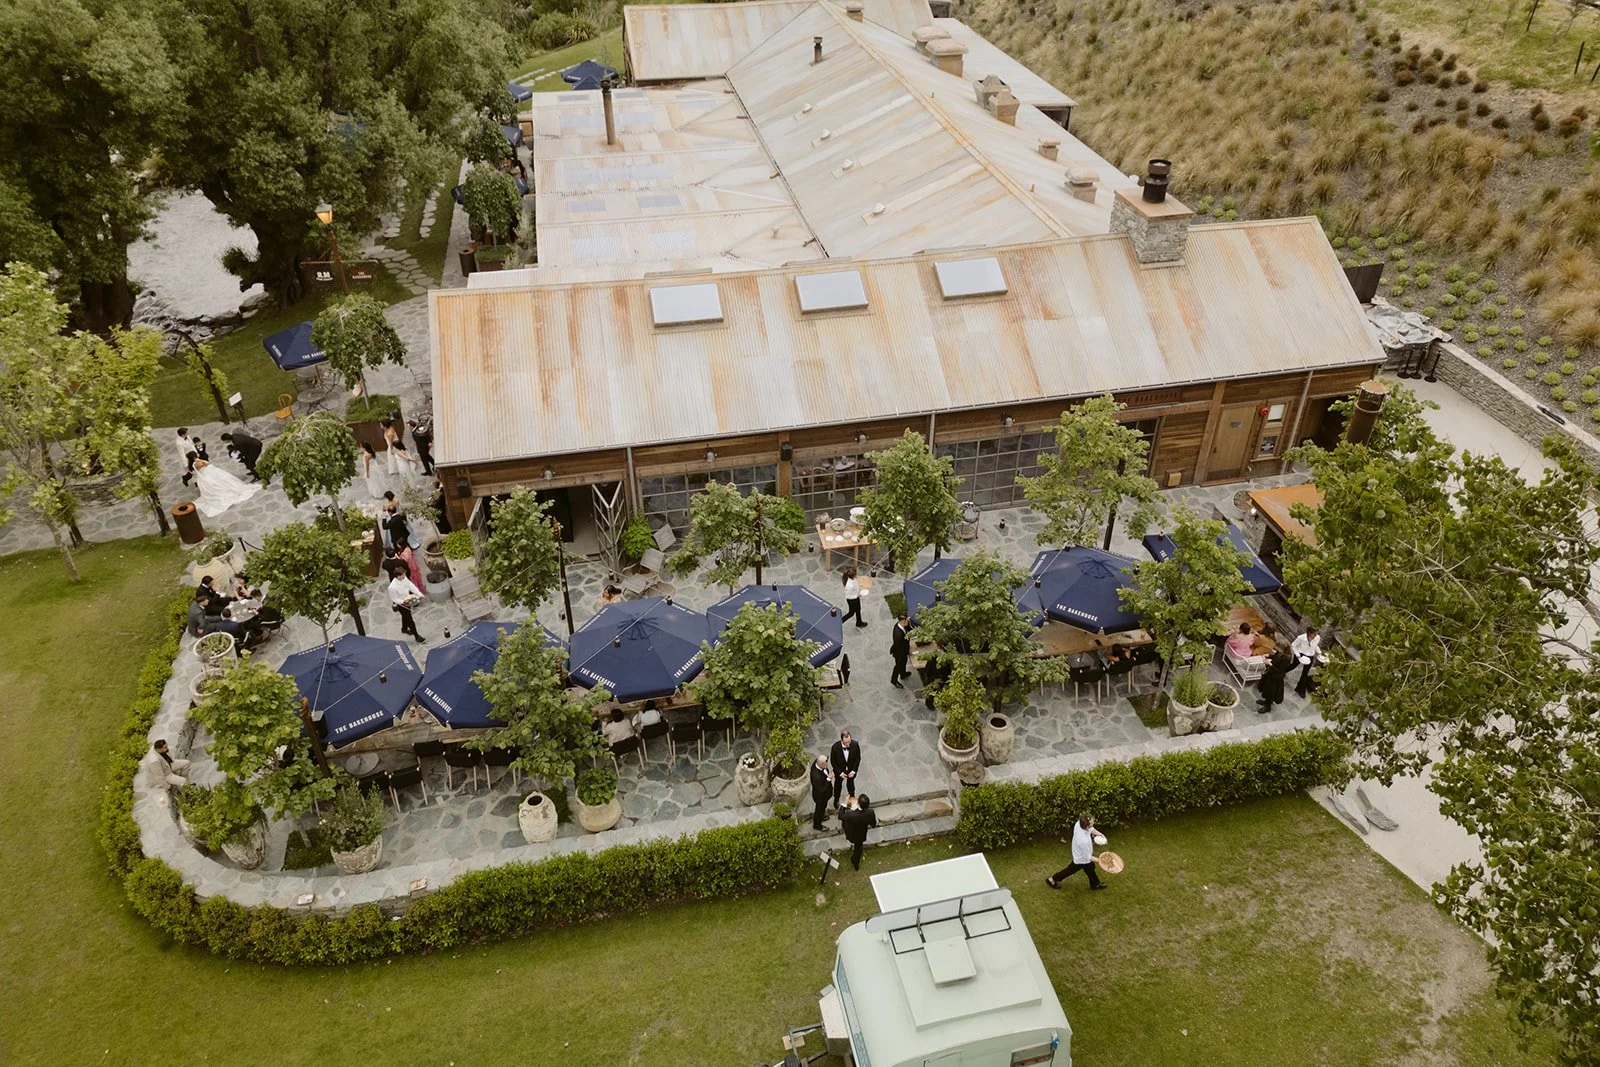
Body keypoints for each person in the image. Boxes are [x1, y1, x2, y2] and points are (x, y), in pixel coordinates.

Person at [1045, 813, 1107, 891]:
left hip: (1080, 852)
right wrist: (1101, 861)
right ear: (1087, 826)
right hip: (1081, 858)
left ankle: (1095, 884)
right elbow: (1088, 857)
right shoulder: (1083, 841)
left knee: (1090, 868)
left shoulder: (1079, 823)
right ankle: (1052, 879)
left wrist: (1100, 835)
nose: (1093, 822)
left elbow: (1091, 829)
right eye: (1092, 822)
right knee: (1070, 870)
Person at [190, 457, 259, 517]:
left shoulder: (194, 464)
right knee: (221, 483)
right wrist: (200, 460)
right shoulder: (197, 463)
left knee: (221, 482)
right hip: (208, 472)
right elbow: (207, 463)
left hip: (206, 473)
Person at [387, 562, 426, 642]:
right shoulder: (392, 587)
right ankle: (417, 636)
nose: (405, 576)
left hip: (408, 600)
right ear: (398, 576)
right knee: (409, 619)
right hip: (402, 604)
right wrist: (404, 601)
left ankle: (404, 628)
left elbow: (411, 586)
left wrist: (419, 594)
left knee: (405, 616)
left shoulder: (404, 579)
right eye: (403, 575)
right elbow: (394, 599)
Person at [840, 794, 878, 871]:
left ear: (858, 803)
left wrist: (844, 803)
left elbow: (840, 816)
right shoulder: (870, 812)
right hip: (861, 834)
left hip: (851, 833)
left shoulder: (851, 814)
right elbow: (873, 824)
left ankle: (855, 860)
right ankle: (855, 862)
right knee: (858, 849)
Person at [1257, 640, 1296, 713]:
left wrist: (1270, 664)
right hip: (1271, 674)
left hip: (1276, 677)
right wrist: (1268, 656)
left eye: (1278, 648)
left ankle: (1268, 707)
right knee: (1267, 689)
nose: (1276, 649)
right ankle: (1266, 701)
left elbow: (1280, 671)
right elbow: (1275, 656)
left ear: (1283, 649)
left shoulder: (1286, 659)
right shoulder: (1280, 653)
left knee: (1271, 692)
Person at [830, 730, 861, 809]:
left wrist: (854, 771)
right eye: (846, 742)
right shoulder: (835, 747)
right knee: (838, 786)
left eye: (849, 742)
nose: (848, 744)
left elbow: (858, 759)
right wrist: (840, 773)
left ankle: (852, 797)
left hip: (850, 770)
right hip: (840, 771)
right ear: (841, 740)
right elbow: (833, 762)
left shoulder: (855, 744)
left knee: (851, 784)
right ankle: (836, 798)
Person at [1292, 626, 1323, 697]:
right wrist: (1298, 655)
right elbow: (1293, 645)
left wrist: (1320, 652)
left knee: (1305, 673)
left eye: (1316, 634)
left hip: (1309, 656)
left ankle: (1300, 689)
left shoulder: (1317, 638)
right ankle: (1283, 671)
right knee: (1293, 666)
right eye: (1314, 634)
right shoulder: (1301, 638)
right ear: (1309, 633)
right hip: (1300, 654)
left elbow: (1315, 646)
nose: (1316, 636)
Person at [809, 754, 833, 831]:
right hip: (820, 797)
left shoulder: (817, 762)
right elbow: (822, 789)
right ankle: (817, 825)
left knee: (822, 808)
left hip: (824, 796)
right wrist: (829, 779)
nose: (827, 764)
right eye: (826, 763)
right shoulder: (817, 777)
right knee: (819, 810)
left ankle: (821, 816)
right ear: (822, 764)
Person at [890, 612, 912, 688]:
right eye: (907, 620)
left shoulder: (904, 625)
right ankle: (894, 680)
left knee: (904, 662)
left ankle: (903, 674)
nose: (908, 622)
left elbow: (909, 630)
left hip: (904, 650)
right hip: (899, 652)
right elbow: (898, 646)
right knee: (898, 666)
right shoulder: (898, 634)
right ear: (903, 621)